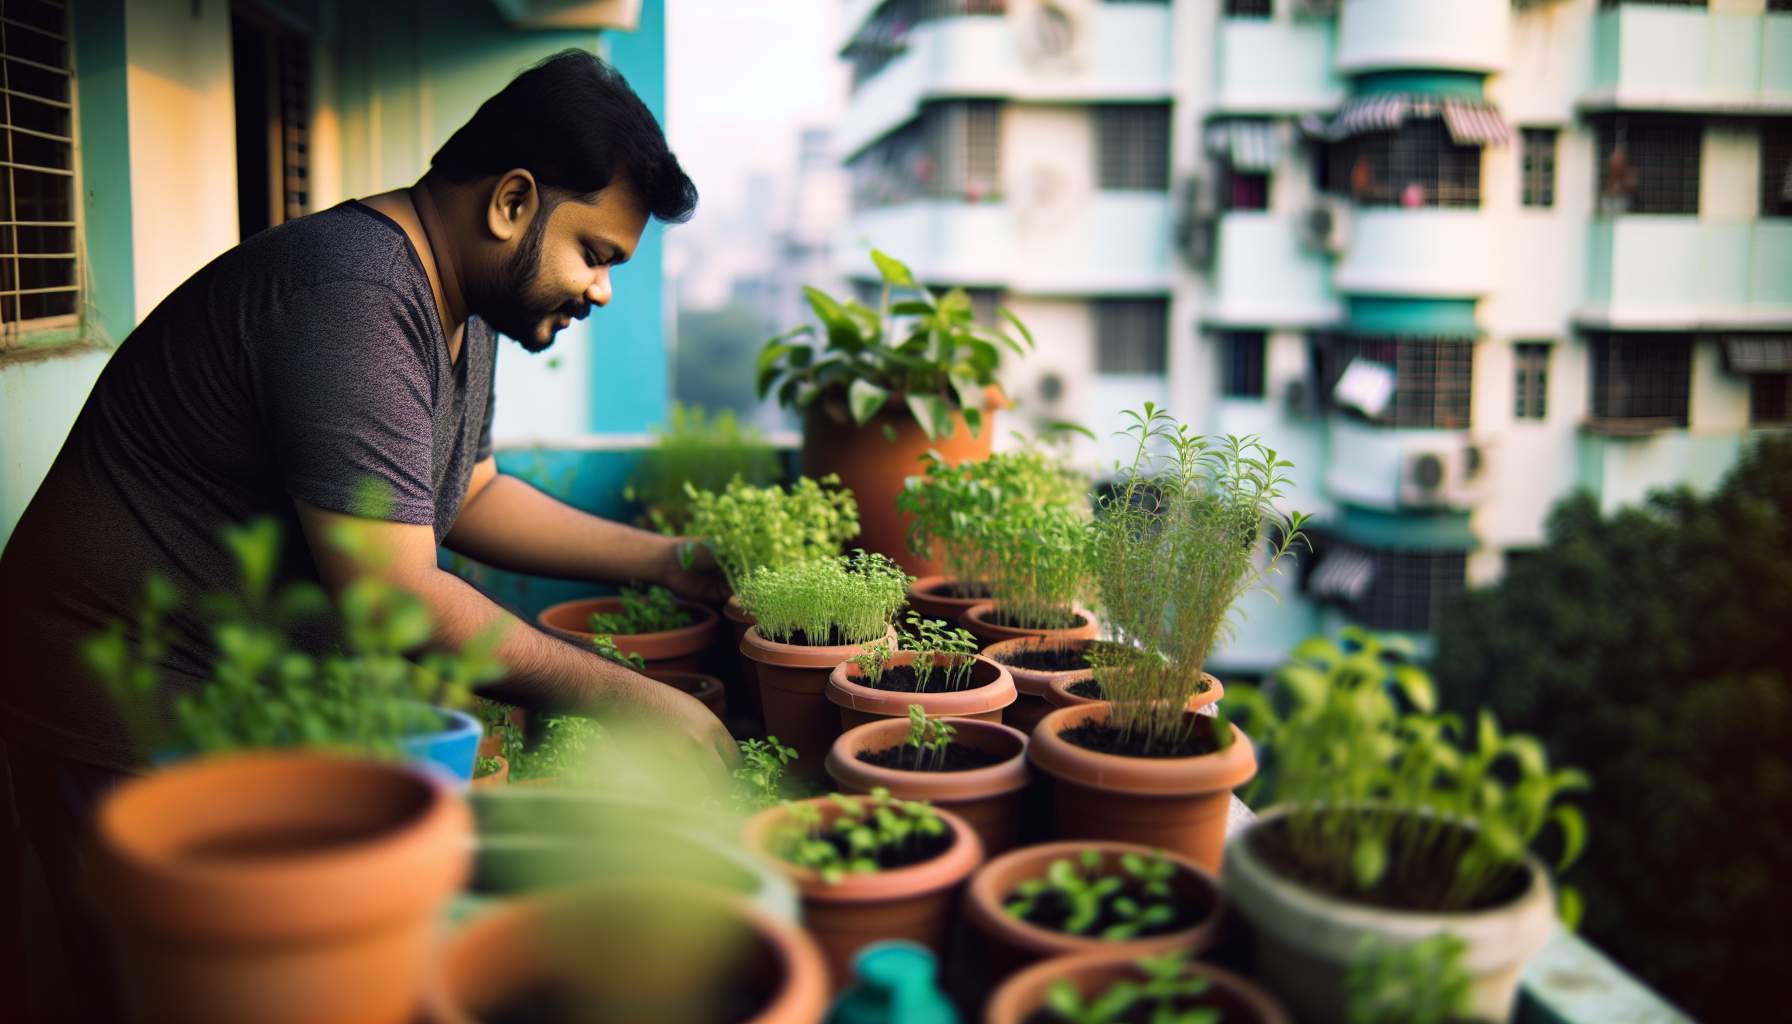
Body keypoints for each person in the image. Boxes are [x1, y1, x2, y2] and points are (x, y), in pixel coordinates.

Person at [0, 50, 727, 1018]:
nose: (600, 291)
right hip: (120, 693)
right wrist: (629, 698)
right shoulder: (353, 292)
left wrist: (671, 561)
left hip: (227, 689)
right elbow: (394, 593)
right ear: (513, 201)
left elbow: (465, 494)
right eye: (596, 254)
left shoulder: (457, 304)